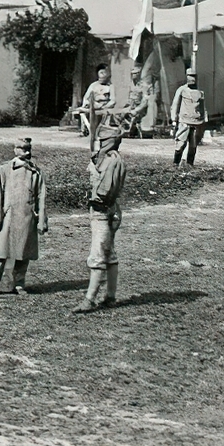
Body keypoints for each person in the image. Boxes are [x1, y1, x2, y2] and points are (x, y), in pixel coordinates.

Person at [0, 137, 47, 297]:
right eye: (22, 148)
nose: (26, 152)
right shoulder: (5, 170)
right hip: (8, 217)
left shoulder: (35, 172)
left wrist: (41, 220)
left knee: (23, 252)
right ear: (15, 150)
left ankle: (18, 284)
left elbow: (41, 197)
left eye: (28, 149)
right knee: (0, 252)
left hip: (27, 217)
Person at [73, 125, 126, 313]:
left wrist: (95, 198)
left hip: (103, 211)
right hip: (103, 211)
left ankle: (90, 300)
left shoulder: (112, 161)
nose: (101, 144)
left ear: (112, 141)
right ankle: (110, 297)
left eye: (104, 141)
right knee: (109, 254)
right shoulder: (104, 158)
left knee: (97, 256)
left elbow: (105, 191)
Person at [170, 68, 208, 167]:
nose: (192, 79)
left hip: (197, 122)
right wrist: (174, 119)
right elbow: (175, 104)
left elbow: (203, 108)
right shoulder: (182, 90)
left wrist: (205, 120)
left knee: (193, 145)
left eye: (194, 76)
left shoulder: (200, 92)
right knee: (181, 143)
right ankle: (175, 163)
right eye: (190, 76)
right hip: (184, 122)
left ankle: (190, 164)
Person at [79, 64, 114, 139]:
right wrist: (88, 104)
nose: (101, 79)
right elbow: (86, 98)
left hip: (105, 106)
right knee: (82, 112)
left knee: (107, 114)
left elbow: (113, 100)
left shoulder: (111, 86)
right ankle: (85, 129)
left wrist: (105, 106)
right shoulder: (93, 85)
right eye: (100, 78)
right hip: (93, 105)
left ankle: (104, 131)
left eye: (104, 78)